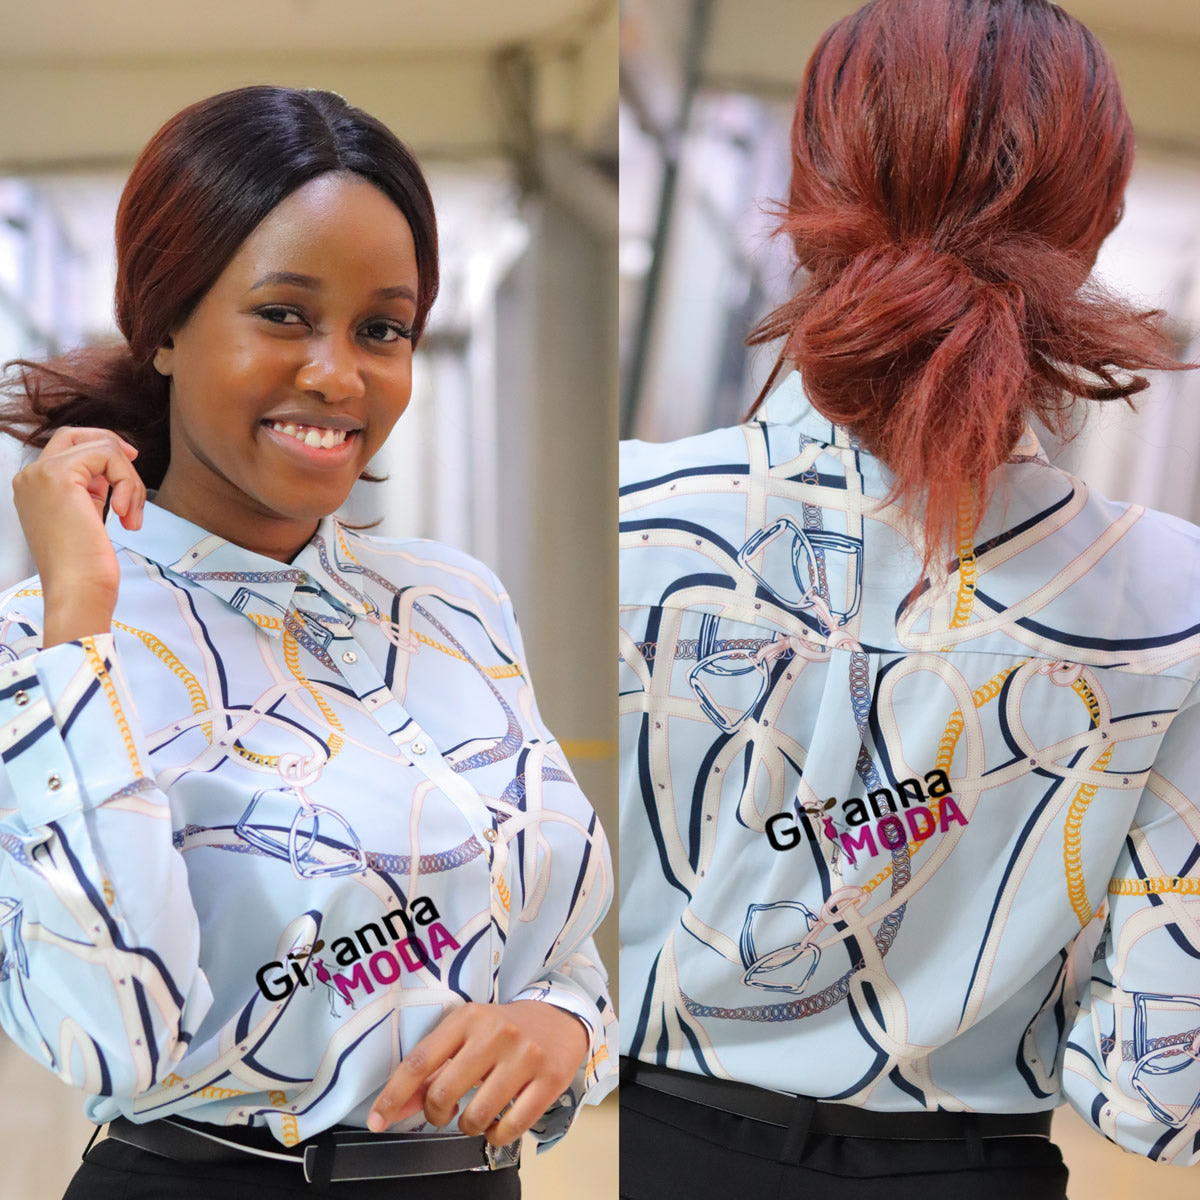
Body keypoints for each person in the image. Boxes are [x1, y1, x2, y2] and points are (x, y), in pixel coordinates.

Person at [618, 1, 1200, 1197]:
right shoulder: (1170, 599)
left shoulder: (625, 524)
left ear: (808, 187)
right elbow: (1156, 1095)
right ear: (1097, 226)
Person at [0, 85, 616, 1199]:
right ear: (168, 326)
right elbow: (112, 1042)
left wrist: (565, 1025)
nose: (338, 374)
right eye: (284, 315)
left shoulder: (455, 604)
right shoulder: (43, 652)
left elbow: (556, 938)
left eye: (382, 328)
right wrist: (80, 627)